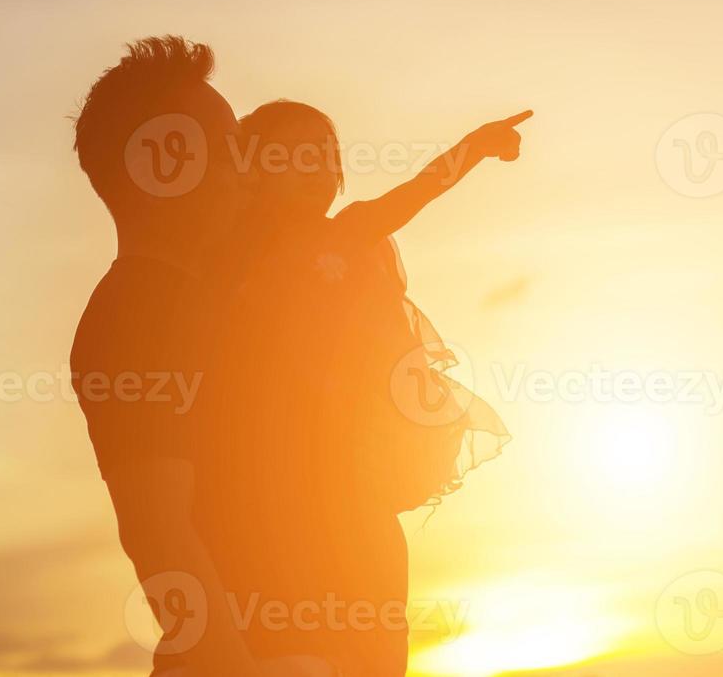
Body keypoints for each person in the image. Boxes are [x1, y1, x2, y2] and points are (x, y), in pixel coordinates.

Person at [218, 100, 524, 673]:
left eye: (321, 154)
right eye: (286, 156)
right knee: (309, 626)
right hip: (289, 473)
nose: (310, 167)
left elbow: (418, 191)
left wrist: (477, 146)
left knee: (379, 618)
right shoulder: (236, 259)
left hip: (365, 463)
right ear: (250, 171)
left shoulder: (353, 229)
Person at [69, 36, 320, 675]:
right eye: (227, 144)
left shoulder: (201, 301)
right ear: (163, 161)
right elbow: (159, 534)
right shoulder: (139, 307)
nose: (248, 166)